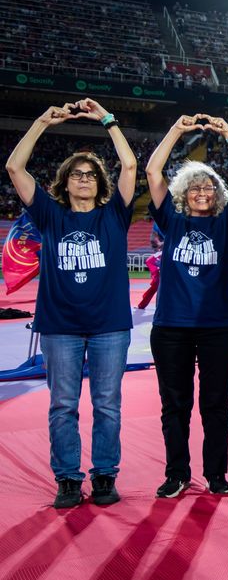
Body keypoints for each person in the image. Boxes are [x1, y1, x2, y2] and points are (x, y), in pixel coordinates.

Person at [6, 99, 137, 508]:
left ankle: (103, 474)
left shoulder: (115, 215)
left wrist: (107, 120)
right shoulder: (49, 215)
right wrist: (42, 121)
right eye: (76, 174)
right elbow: (14, 168)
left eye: (91, 174)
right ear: (65, 182)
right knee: (62, 404)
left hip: (109, 326)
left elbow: (130, 167)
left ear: (100, 183)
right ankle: (67, 477)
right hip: (60, 325)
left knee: (107, 404)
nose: (84, 178)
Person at [146, 113, 228, 498]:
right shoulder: (171, 221)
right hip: (171, 326)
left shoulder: (226, 223)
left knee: (216, 405)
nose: (202, 192)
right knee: (174, 405)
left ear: (217, 193)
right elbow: (153, 171)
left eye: (208, 186)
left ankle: (216, 474)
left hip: (219, 327)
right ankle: (177, 473)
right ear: (183, 193)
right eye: (195, 188)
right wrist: (177, 129)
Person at [136, 224, 164, 310]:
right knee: (155, 287)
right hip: (159, 276)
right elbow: (149, 261)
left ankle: (143, 305)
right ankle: (142, 305)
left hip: (163, 275)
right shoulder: (156, 256)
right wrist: (156, 273)